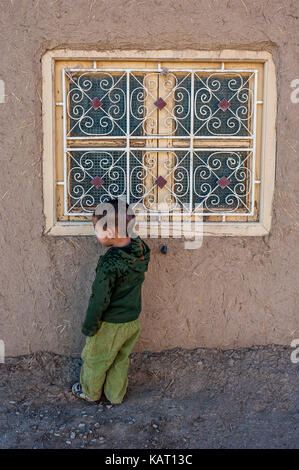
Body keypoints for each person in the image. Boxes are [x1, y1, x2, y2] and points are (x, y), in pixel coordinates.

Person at [72, 197, 151, 405]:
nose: (95, 234)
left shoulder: (110, 264)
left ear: (110, 233)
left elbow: (99, 298)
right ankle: (115, 395)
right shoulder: (140, 251)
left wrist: (91, 325)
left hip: (110, 324)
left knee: (95, 358)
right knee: (119, 359)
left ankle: (90, 392)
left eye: (96, 229)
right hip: (132, 321)